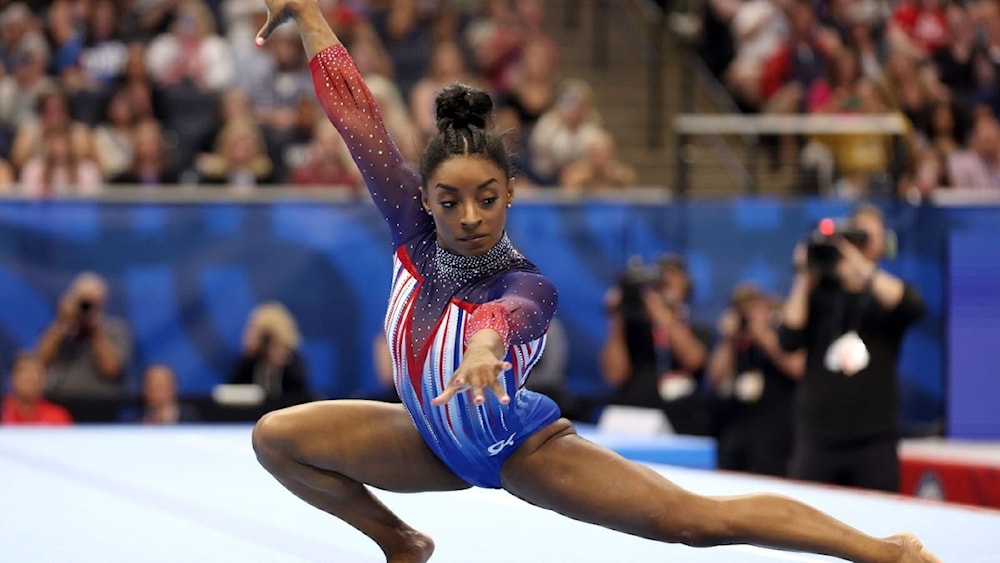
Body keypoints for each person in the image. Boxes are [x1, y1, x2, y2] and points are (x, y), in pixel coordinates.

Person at [249, 3, 940, 562]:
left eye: (487, 197)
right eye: (451, 199)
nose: (469, 215)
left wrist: (483, 354)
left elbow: (503, 323)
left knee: (692, 522)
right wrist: (310, 13)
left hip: (518, 450)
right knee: (275, 438)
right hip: (431, 439)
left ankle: (885, 551)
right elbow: (358, 117)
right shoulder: (409, 227)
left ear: (511, 194)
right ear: (423, 197)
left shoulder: (525, 283)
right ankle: (401, 541)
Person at [779, 204, 926, 492]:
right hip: (817, 437)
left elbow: (913, 308)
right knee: (808, 523)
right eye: (856, 235)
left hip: (873, 437)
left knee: (878, 524)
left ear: (883, 244)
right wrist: (804, 275)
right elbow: (788, 338)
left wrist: (860, 266)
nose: (859, 245)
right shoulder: (820, 293)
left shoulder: (886, 295)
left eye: (869, 237)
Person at [599, 254, 715, 436]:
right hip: (632, 417)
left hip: (681, 422)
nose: (665, 284)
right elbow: (614, 376)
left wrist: (658, 310)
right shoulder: (633, 328)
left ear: (687, 287)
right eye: (660, 280)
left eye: (672, 279)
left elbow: (693, 360)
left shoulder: (699, 329)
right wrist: (617, 318)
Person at [707, 283, 803, 477]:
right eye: (743, 310)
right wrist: (728, 340)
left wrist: (762, 333)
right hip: (737, 427)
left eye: (754, 307)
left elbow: (795, 367)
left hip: (776, 432)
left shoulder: (783, 332)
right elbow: (715, 379)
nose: (749, 315)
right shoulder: (737, 343)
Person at [35, 272, 132, 401]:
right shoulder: (59, 329)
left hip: (100, 403)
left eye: (91, 303)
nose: (86, 308)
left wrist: (95, 331)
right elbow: (40, 362)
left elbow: (111, 369)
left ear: (102, 303)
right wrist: (61, 322)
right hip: (60, 400)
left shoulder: (116, 329)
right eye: (82, 301)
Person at [227, 301, 308, 402]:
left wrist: (279, 363)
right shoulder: (249, 361)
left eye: (269, 338)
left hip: (284, 413)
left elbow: (300, 392)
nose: (266, 344)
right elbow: (233, 391)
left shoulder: (292, 361)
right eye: (263, 337)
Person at [1, 352, 73, 425]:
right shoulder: (3, 412)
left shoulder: (58, 416)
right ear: (12, 377)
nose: (31, 377)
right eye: (24, 372)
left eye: (37, 373)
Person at [119, 364, 201, 425]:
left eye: (161, 386)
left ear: (174, 388)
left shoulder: (190, 416)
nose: (156, 392)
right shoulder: (131, 417)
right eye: (151, 386)